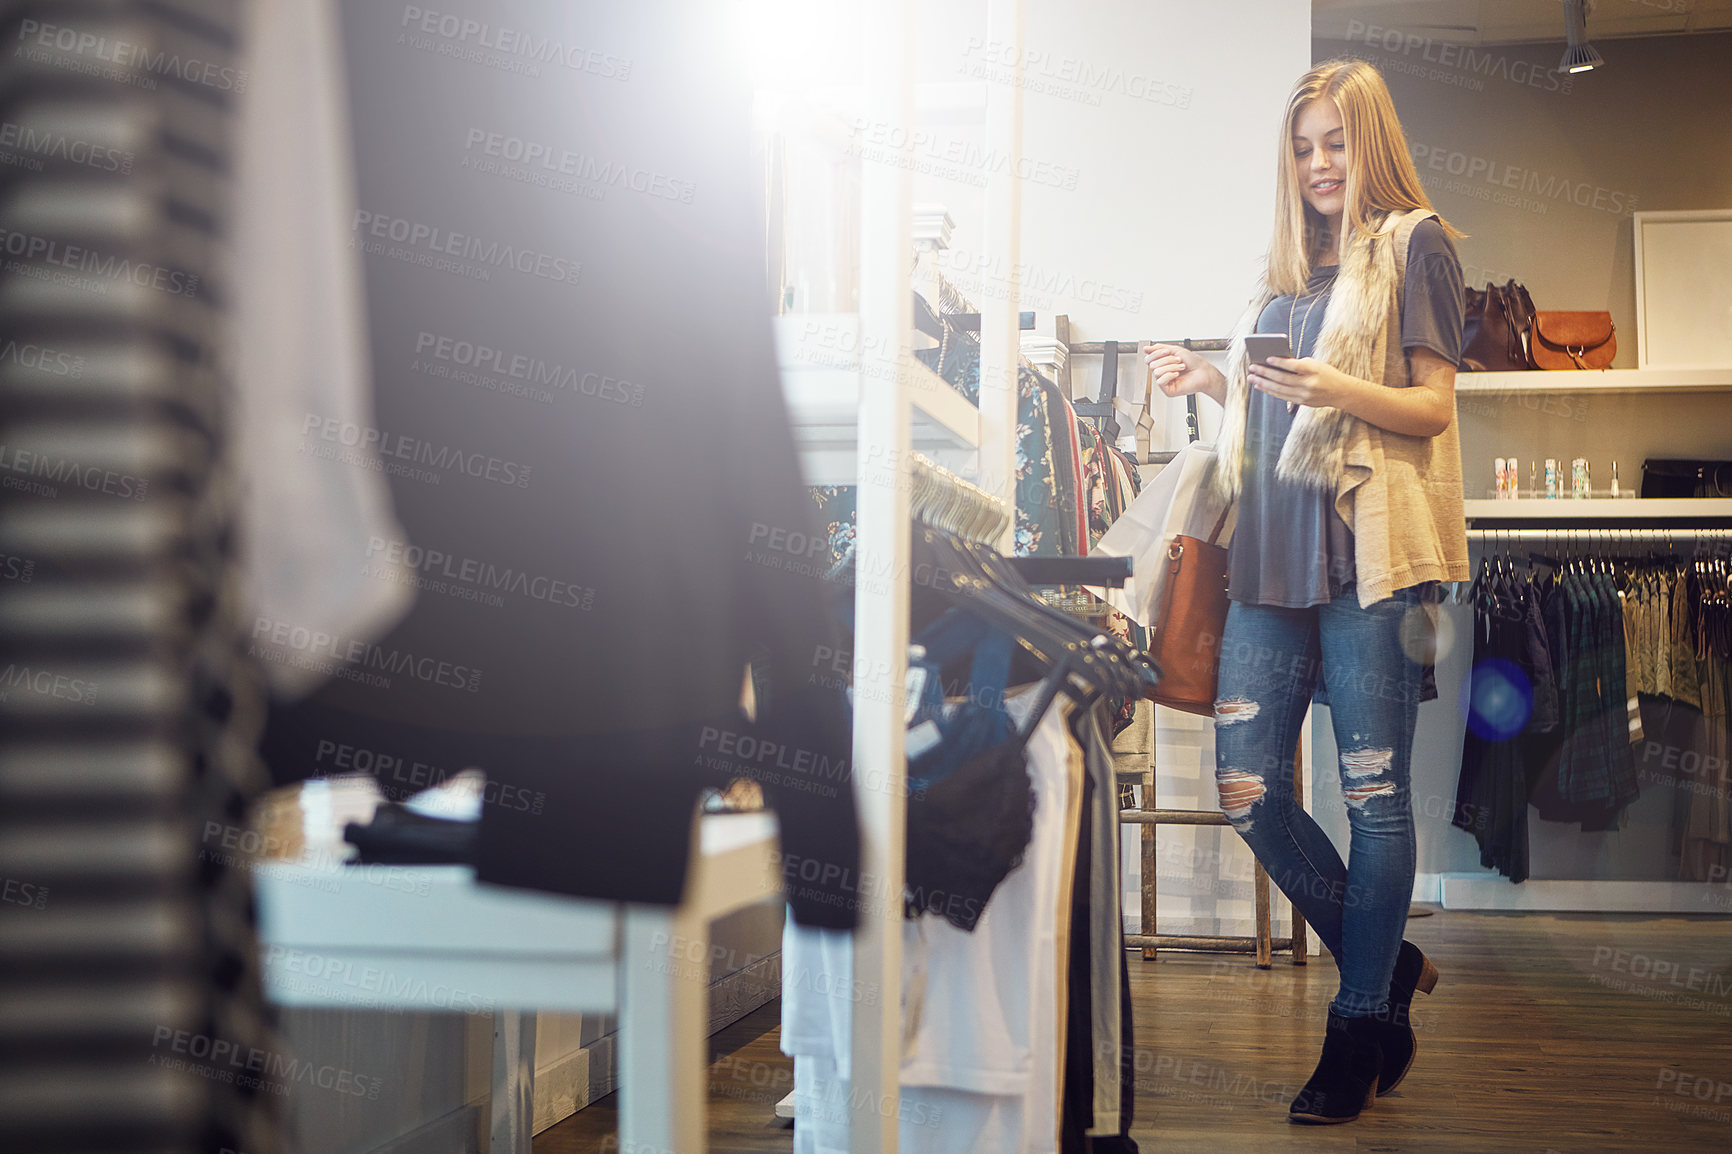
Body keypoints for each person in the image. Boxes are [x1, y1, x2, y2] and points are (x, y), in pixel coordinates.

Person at [1144, 59, 1468, 1124]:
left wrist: (1335, 386)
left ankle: (1358, 1014)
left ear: (1368, 143)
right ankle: (1384, 953)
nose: (1320, 163)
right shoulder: (1288, 269)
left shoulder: (1416, 244)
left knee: (1372, 793)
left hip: (1363, 556)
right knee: (1248, 786)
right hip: (1268, 563)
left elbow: (1429, 409)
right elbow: (1270, 409)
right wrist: (1214, 377)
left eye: (1335, 141)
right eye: (1303, 146)